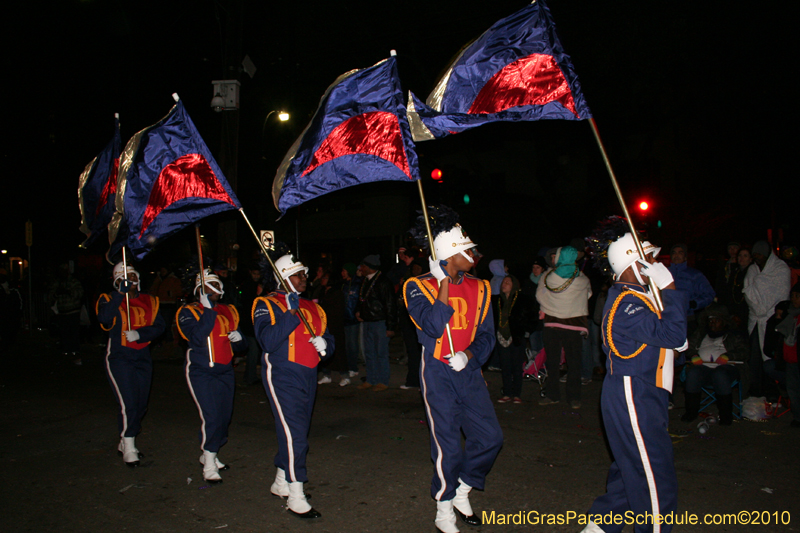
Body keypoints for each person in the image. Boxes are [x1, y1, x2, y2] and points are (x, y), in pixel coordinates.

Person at [581, 233, 687, 533]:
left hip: (642, 391)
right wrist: (669, 288)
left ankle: (601, 527)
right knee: (655, 476)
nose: (655, 263)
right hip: (634, 391)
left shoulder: (638, 297)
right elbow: (673, 335)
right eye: (649, 258)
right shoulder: (628, 302)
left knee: (631, 468)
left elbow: (668, 337)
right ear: (632, 263)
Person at [404, 212, 502, 533]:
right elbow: (432, 326)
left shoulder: (483, 288)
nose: (473, 256)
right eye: (466, 251)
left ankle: (462, 488)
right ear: (448, 255)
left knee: (490, 437)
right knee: (446, 443)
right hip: (436, 370)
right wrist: (442, 283)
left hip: (467, 369)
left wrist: (469, 355)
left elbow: (488, 334)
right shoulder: (417, 286)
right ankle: (443, 507)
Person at [253, 251, 332, 519]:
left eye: (304, 274)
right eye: (298, 274)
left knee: (295, 430)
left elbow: (328, 337)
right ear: (284, 278)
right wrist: (290, 311)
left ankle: (280, 480)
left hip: (308, 374)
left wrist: (326, 345)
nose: (304, 278)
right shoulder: (266, 304)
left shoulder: (313, 305)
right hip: (282, 374)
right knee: (295, 433)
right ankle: (296, 493)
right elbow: (267, 341)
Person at [176, 270, 247, 484]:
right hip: (201, 370)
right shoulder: (187, 312)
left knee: (224, 417)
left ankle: (212, 452)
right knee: (212, 416)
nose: (216, 289)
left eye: (218, 284)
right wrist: (207, 312)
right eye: (211, 285)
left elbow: (243, 346)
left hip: (225, 369)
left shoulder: (229, 310)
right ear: (200, 289)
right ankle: (208, 460)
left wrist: (239, 338)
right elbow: (196, 338)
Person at [96, 262, 165, 467]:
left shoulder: (150, 300)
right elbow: (104, 318)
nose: (130, 281)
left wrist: (141, 334)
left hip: (142, 356)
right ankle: (129, 444)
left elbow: (160, 326)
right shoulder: (108, 298)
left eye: (133, 277)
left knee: (141, 403)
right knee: (128, 402)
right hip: (120, 357)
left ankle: (124, 440)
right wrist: (119, 294)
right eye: (125, 278)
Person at [536, 245, 592, 409]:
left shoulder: (547, 277)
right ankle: (574, 398)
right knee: (574, 364)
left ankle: (552, 395)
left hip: (552, 323)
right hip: (574, 324)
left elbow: (539, 295)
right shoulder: (582, 278)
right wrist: (572, 304)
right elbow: (587, 294)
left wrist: (553, 304)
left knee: (553, 363)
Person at [681, 303, 747, 425]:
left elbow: (743, 351)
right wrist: (694, 355)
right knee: (693, 373)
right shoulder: (701, 333)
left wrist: (728, 356)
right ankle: (691, 412)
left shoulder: (733, 334)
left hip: (727, 369)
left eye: (716, 320)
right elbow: (688, 347)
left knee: (719, 374)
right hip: (705, 368)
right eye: (710, 320)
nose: (712, 323)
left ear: (724, 322)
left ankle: (726, 416)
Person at [743, 240, 790, 397]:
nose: (757, 257)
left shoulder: (780, 269)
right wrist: (758, 308)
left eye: (760, 254)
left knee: (770, 357)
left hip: (772, 320)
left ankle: (772, 391)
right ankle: (755, 391)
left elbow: (781, 295)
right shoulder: (752, 269)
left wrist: (765, 309)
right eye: (754, 254)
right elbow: (748, 291)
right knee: (754, 356)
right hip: (755, 319)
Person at [355, 254, 397, 391]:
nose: (361, 268)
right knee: (369, 352)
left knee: (381, 353)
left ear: (369, 267)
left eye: (363, 266)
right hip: (367, 321)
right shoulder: (365, 281)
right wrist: (359, 311)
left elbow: (390, 305)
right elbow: (361, 299)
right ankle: (371, 379)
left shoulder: (383, 281)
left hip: (380, 322)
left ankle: (383, 381)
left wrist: (390, 326)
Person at [494, 275, 536, 404]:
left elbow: (531, 317)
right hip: (501, 337)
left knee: (516, 367)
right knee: (505, 366)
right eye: (503, 282)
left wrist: (524, 330)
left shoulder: (522, 299)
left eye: (508, 282)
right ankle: (507, 393)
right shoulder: (496, 300)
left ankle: (516, 394)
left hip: (516, 336)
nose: (504, 284)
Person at [667, 243, 716, 331]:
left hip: (688, 319)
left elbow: (709, 294)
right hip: (666, 318)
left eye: (680, 253)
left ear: (685, 257)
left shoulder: (695, 275)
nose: (676, 255)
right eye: (674, 253)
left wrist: (694, 304)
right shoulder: (663, 273)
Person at [50, 262, 85, 365]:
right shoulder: (57, 282)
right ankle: (66, 350)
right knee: (64, 332)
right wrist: (57, 293)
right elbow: (51, 295)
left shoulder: (73, 281)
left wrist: (68, 291)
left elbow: (79, 293)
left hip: (73, 311)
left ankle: (75, 350)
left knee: (73, 332)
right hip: (62, 312)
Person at [340, 263, 361, 385]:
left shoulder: (357, 284)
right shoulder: (343, 284)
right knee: (346, 344)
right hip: (344, 318)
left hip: (353, 318)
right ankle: (349, 366)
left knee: (352, 344)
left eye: (344, 270)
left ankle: (353, 367)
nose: (342, 273)